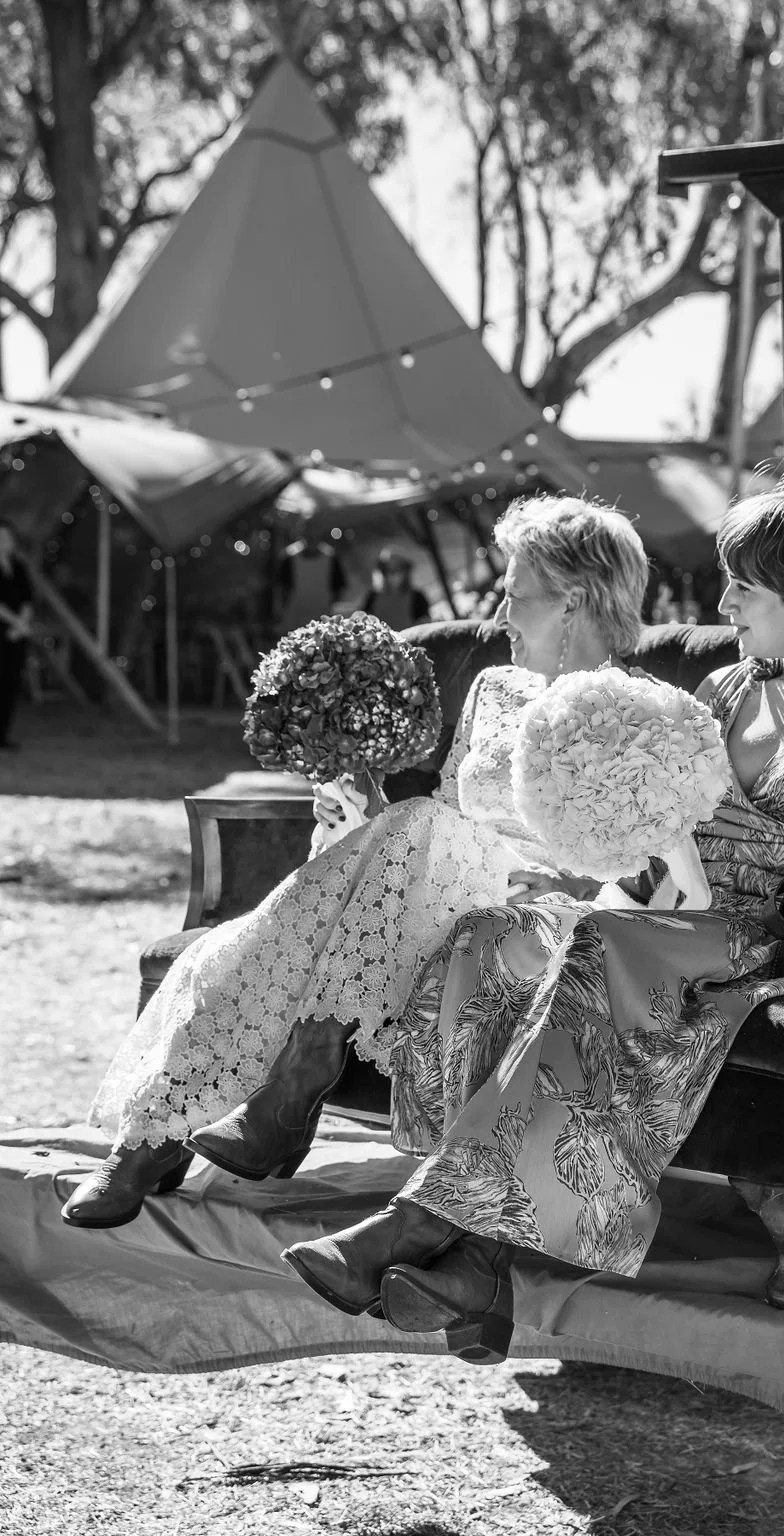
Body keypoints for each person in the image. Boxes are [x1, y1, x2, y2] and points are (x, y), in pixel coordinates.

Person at [276, 483, 784, 1366]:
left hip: (780, 943)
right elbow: (664, 830)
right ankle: (475, 1270)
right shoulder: (732, 688)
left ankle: (417, 1229)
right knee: (494, 941)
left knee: (600, 945)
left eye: (744, 586)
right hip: (677, 912)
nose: (723, 603)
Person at [61, 495, 651, 1228]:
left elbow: (634, 862)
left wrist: (540, 872)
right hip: (436, 890)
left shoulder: (637, 710)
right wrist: (362, 818)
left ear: (574, 601)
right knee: (400, 836)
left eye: (515, 593)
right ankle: (170, 1129)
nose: (500, 612)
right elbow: (440, 818)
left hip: (537, 916)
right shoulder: (493, 689)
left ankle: (233, 1110)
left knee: (417, 835)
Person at [0, 519, 34, 750]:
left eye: (8, 538)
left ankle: (2, 734)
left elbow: (27, 598)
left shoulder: (18, 566)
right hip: (3, 629)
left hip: (16, 634)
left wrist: (21, 624)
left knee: (10, 684)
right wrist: (13, 622)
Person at [361, 547, 431, 631]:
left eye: (398, 569)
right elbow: (363, 622)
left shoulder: (417, 597)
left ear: (406, 572)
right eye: (387, 570)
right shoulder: (373, 596)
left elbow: (424, 625)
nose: (393, 574)